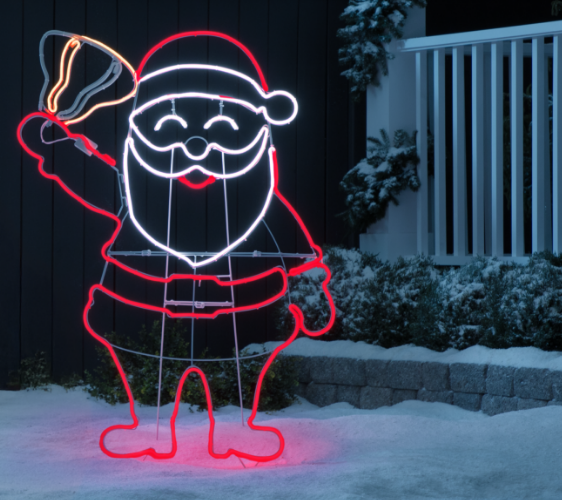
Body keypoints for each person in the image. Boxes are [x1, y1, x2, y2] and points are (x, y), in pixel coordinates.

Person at [17, 31, 334, 462]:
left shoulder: (260, 200)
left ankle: (238, 430)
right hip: (143, 297)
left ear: (262, 124)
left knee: (235, 370)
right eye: (169, 128)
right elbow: (93, 178)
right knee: (150, 367)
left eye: (224, 129)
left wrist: (312, 289)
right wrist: (56, 148)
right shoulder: (136, 193)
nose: (196, 148)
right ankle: (148, 430)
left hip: (241, 303)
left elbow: (296, 249)